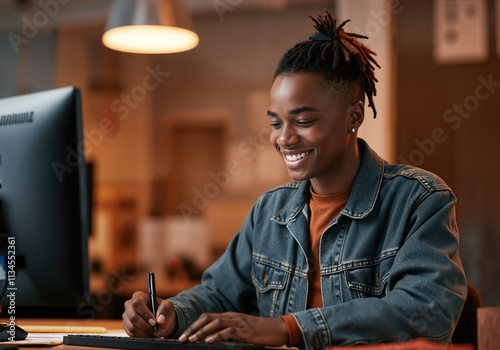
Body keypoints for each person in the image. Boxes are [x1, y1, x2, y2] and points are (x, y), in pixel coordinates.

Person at [122, 10, 467, 349]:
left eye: (303, 121)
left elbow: (428, 312)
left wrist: (289, 329)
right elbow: (219, 292)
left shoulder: (419, 201)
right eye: (275, 123)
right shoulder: (270, 211)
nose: (284, 138)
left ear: (354, 116)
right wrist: (172, 314)